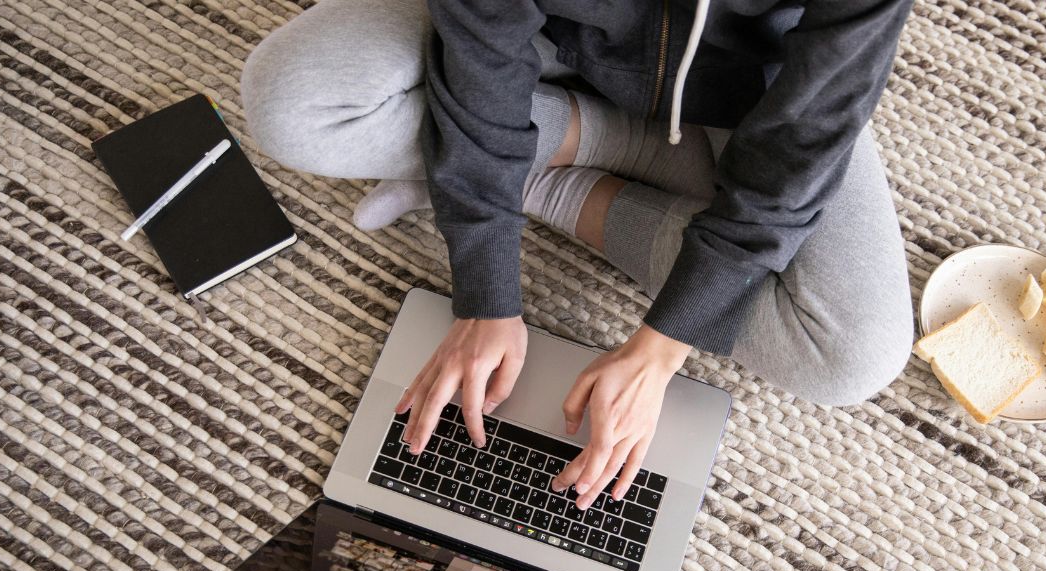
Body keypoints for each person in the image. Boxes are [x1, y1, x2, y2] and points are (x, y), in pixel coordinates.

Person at [242, 0, 915, 512]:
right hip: (539, 46)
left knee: (853, 354)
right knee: (290, 102)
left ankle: (545, 162)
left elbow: (803, 135)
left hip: (756, 97)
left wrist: (664, 342)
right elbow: (482, 38)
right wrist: (485, 291)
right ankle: (547, 157)